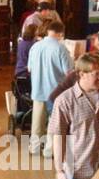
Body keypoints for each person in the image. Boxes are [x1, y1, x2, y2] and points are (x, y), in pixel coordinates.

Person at [28, 18, 72, 156]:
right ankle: (49, 150)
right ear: (60, 34)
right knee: (54, 124)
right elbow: (69, 72)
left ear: (48, 31)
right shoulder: (61, 48)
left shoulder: (35, 47)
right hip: (55, 93)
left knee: (37, 123)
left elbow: (29, 68)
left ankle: (34, 148)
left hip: (37, 90)